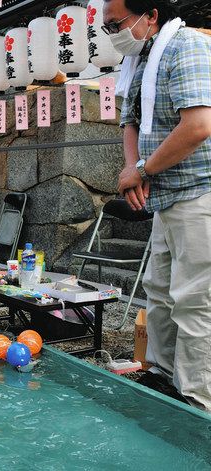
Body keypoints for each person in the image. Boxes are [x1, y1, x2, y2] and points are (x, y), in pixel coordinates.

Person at [104, 0, 211, 410]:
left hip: (200, 192)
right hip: (166, 197)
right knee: (160, 293)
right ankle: (161, 377)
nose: (112, 32)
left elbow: (199, 124)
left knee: (196, 300)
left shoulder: (186, 47)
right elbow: (129, 121)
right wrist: (132, 167)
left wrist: (143, 170)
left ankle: (197, 399)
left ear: (150, 15)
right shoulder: (142, 60)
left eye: (117, 23)